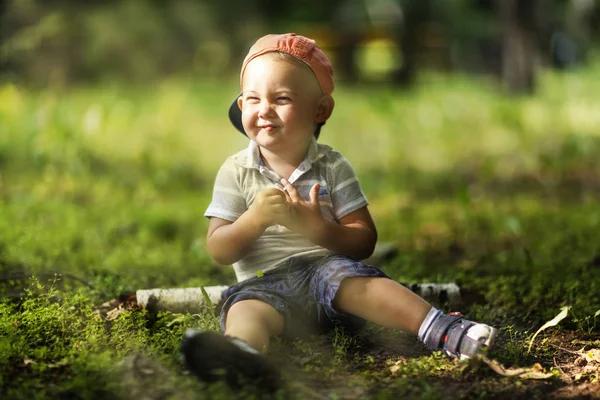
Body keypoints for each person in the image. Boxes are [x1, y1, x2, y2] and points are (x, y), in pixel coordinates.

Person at [180, 33, 497, 389]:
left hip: (329, 279)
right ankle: (241, 354)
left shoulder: (332, 166)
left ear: (321, 109)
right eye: (252, 99)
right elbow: (219, 249)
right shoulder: (235, 171)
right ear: (241, 107)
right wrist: (255, 218)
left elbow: (363, 241)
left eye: (281, 98)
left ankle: (443, 330)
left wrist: (317, 229)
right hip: (264, 286)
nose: (264, 109)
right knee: (244, 308)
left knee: (360, 281)